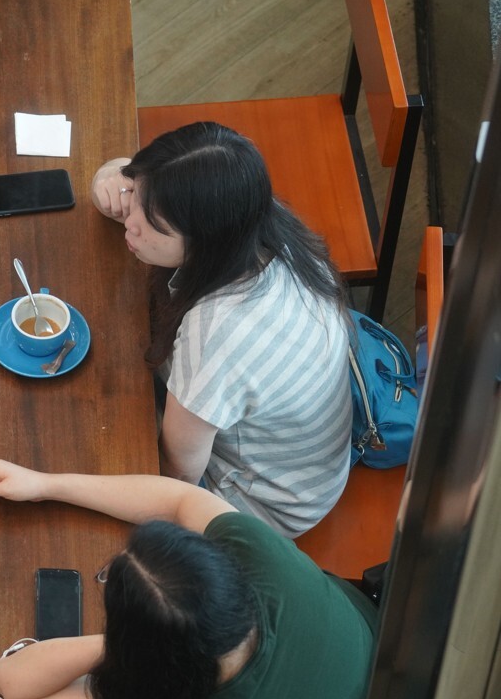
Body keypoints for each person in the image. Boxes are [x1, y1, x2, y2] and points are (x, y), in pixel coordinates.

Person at [0, 459, 377, 699]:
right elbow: (180, 499)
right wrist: (45, 483)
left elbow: (11, 683)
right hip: (396, 672)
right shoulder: (261, 556)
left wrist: (120, 648)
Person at [89, 121, 351, 536]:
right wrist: (111, 178)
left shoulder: (219, 332)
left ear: (205, 242)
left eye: (155, 225)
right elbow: (127, 174)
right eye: (136, 196)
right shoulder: (250, 214)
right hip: (307, 462)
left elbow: (178, 476)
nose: (130, 222)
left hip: (262, 501)